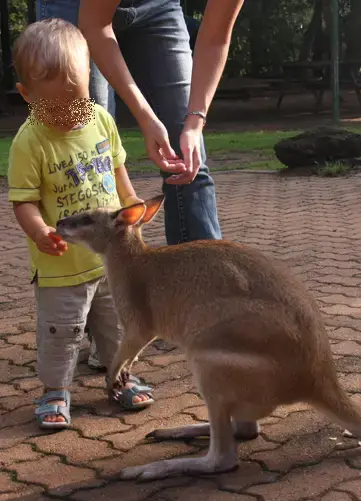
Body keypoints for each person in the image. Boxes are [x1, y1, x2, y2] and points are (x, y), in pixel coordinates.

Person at [37, 0, 245, 359]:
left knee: (190, 159)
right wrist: (147, 118)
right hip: (79, 8)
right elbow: (95, 24)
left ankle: (206, 313)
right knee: (87, 152)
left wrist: (194, 121)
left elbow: (214, 40)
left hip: (158, 6)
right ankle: (100, 330)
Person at [8, 19, 156, 430]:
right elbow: (24, 201)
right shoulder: (29, 142)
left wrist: (134, 206)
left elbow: (118, 172)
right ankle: (56, 390)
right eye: (55, 108)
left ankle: (120, 375)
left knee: (116, 325)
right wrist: (39, 231)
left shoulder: (100, 120)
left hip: (110, 261)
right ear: (27, 96)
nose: (70, 115)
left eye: (77, 102)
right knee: (62, 333)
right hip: (61, 268)